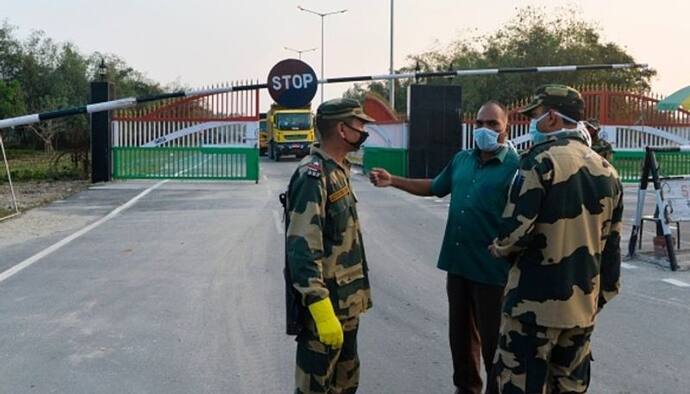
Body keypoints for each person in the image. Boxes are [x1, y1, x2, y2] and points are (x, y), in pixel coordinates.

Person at [370, 101, 519, 394]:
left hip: (493, 271)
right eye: (480, 124)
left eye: (493, 124)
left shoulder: (516, 167)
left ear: (506, 128)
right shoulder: (462, 160)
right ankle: (465, 388)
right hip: (458, 264)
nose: (485, 129)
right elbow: (435, 187)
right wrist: (393, 181)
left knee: (494, 342)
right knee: (460, 338)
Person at [489, 85, 623, 393]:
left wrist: (497, 249)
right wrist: (596, 300)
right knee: (569, 386)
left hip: (532, 308)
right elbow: (611, 248)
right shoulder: (607, 170)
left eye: (535, 116)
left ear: (551, 118)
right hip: (581, 308)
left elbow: (514, 233)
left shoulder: (539, 161)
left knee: (518, 384)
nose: (531, 123)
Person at [286, 98, 375, 394]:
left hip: (347, 305)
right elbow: (301, 248)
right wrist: (321, 311)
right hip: (326, 309)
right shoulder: (313, 175)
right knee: (315, 388)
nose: (363, 130)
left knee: (345, 385)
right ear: (342, 128)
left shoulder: (338, 170)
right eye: (360, 124)